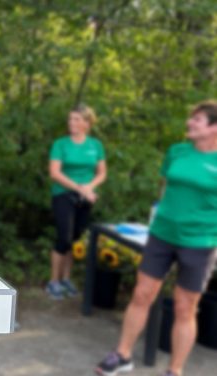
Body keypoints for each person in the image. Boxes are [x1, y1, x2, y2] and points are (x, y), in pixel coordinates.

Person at [95, 100, 217, 376]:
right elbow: (165, 191)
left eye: (197, 120)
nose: (190, 123)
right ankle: (122, 355)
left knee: (186, 308)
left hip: (200, 242)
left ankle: (175, 370)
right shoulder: (177, 152)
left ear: (214, 127)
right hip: (162, 235)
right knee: (142, 294)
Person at [47, 105, 107, 299]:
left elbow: (101, 173)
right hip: (63, 194)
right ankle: (53, 282)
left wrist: (89, 187)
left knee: (75, 240)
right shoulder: (61, 144)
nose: (71, 123)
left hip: (86, 197)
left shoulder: (95, 145)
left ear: (87, 123)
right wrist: (80, 188)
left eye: (76, 119)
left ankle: (66, 279)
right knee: (63, 237)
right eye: (70, 119)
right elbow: (55, 173)